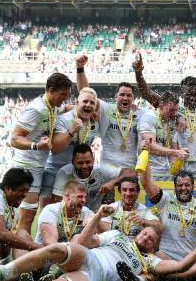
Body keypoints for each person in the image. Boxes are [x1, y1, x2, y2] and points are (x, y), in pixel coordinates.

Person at [0, 205, 196, 281]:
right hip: (89, 257)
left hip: (97, 277)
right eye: (145, 233)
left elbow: (179, 267)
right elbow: (83, 241)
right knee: (58, 248)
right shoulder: (117, 235)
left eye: (151, 239)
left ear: (153, 246)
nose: (147, 237)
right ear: (137, 234)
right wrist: (97, 216)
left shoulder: (150, 261)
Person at [10, 73, 73, 233]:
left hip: (38, 168)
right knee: (26, 218)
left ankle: (7, 257)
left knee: (23, 218)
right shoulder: (36, 109)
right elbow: (14, 138)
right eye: (62, 95)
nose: (64, 99)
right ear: (51, 90)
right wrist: (36, 146)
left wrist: (85, 110)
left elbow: (65, 108)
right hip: (26, 168)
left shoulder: (54, 106)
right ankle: (17, 257)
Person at [139, 160, 196, 279]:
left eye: (187, 185)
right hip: (167, 256)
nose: (183, 188)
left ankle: (169, 276)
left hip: (191, 258)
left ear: (193, 187)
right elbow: (146, 183)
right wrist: (145, 152)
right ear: (175, 187)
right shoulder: (166, 201)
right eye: (179, 185)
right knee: (151, 259)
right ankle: (176, 275)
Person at [76, 55, 146, 172]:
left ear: (133, 98)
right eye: (122, 95)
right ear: (115, 97)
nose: (125, 97)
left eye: (129, 95)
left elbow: (161, 112)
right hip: (107, 168)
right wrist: (80, 68)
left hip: (131, 169)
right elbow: (86, 93)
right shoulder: (106, 109)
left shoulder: (141, 114)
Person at [43, 87, 99, 202]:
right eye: (85, 101)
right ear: (77, 103)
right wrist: (72, 131)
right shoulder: (64, 120)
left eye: (92, 103)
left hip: (75, 174)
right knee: (48, 208)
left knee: (74, 209)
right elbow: (55, 149)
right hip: (54, 170)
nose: (88, 105)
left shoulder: (94, 124)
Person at [52, 144, 129, 211]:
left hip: (96, 216)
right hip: (72, 214)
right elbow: (56, 202)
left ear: (93, 160)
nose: (84, 166)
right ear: (72, 162)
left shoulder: (101, 170)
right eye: (80, 163)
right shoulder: (64, 173)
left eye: (88, 162)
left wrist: (113, 182)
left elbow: (130, 173)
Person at [138, 91, 189, 181]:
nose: (175, 113)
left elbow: (172, 147)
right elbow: (151, 147)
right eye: (172, 110)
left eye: (176, 110)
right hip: (150, 173)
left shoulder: (172, 121)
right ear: (161, 106)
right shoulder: (149, 117)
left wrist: (179, 158)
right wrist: (176, 152)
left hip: (167, 174)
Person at [35, 180, 92, 246]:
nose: (84, 201)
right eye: (79, 197)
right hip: (46, 253)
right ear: (67, 197)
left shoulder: (85, 211)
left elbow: (100, 232)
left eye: (85, 197)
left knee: (79, 237)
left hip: (68, 252)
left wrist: (94, 218)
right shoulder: (51, 211)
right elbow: (50, 244)